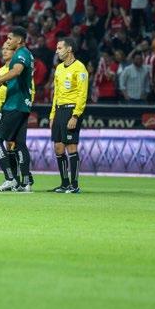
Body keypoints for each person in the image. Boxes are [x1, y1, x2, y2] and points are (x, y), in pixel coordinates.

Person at [0, 27, 35, 192]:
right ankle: (25, 183)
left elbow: (17, 71)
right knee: (19, 144)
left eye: (9, 39)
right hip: (22, 105)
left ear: (19, 40)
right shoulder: (26, 54)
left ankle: (10, 179)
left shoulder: (21, 54)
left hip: (14, 105)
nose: (7, 41)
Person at [49, 38, 89, 194]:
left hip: (72, 110)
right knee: (58, 147)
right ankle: (64, 183)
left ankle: (75, 184)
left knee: (71, 147)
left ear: (69, 49)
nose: (57, 51)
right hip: (59, 110)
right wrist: (52, 114)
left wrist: (76, 115)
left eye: (59, 48)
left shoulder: (80, 68)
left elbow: (82, 93)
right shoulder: (59, 68)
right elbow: (56, 93)